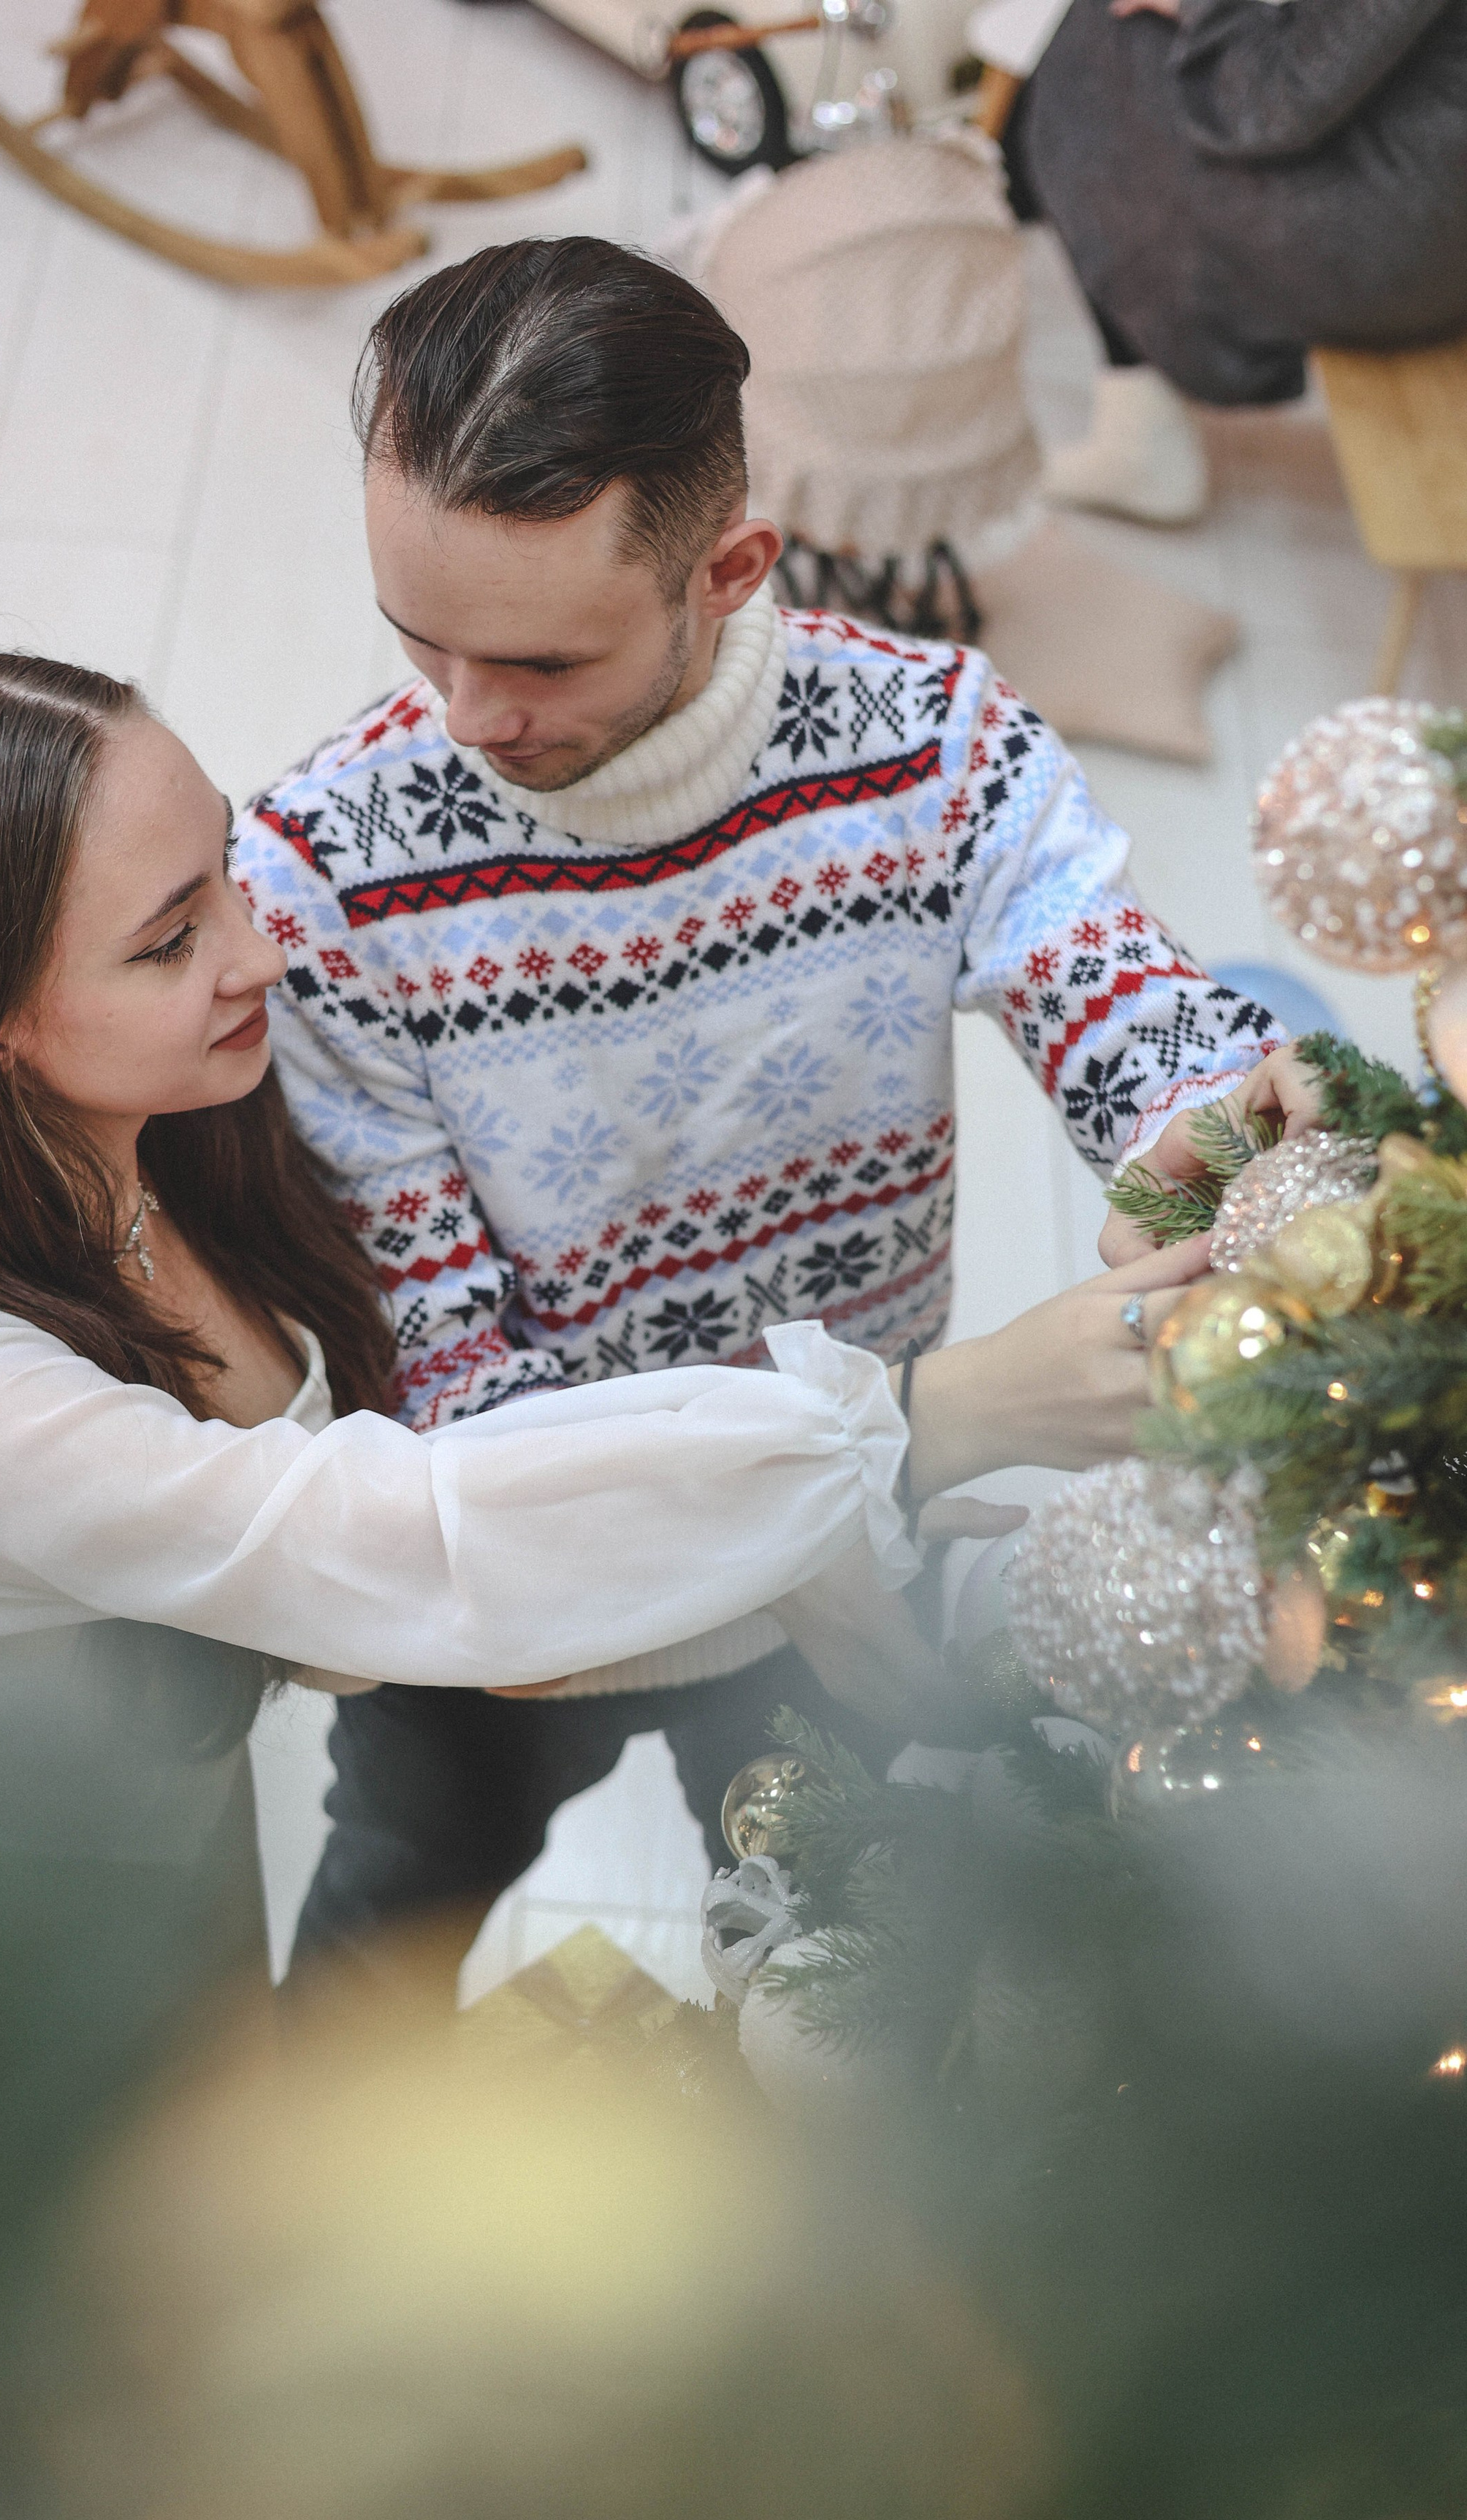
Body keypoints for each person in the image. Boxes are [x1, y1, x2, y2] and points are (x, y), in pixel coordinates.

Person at [0, 646, 1203, 2116]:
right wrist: (917, 1422)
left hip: (165, 1824)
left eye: (229, 881)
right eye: (170, 939)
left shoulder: (163, 1130)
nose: (260, 955)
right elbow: (387, 1533)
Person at [237, 235, 1321, 1991]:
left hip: (842, 1574)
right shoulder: (319, 883)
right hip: (526, 1610)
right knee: (380, 1934)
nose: (462, 720)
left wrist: (1223, 1125)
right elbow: (460, 1408)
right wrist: (898, 1427)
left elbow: (1112, 992)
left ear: (727, 569)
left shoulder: (930, 745)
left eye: (536, 660)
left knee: (851, 1992)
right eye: (415, 642)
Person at [994, 0, 1467, 524]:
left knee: (1092, 53)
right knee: (1102, 54)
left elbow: (1275, 99)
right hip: (1427, 202)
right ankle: (1137, 405)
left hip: (1403, 239)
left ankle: (1140, 426)